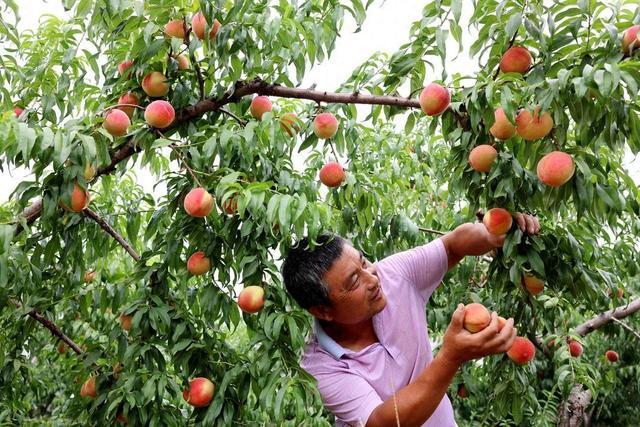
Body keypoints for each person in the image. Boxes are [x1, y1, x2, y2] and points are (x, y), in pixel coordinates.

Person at [282, 213, 540, 427]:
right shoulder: (320, 364)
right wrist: (451, 357)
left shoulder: (393, 274)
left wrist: (492, 234)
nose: (372, 279)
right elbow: (383, 422)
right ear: (323, 311)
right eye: (354, 281)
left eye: (364, 262)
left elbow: (452, 245)